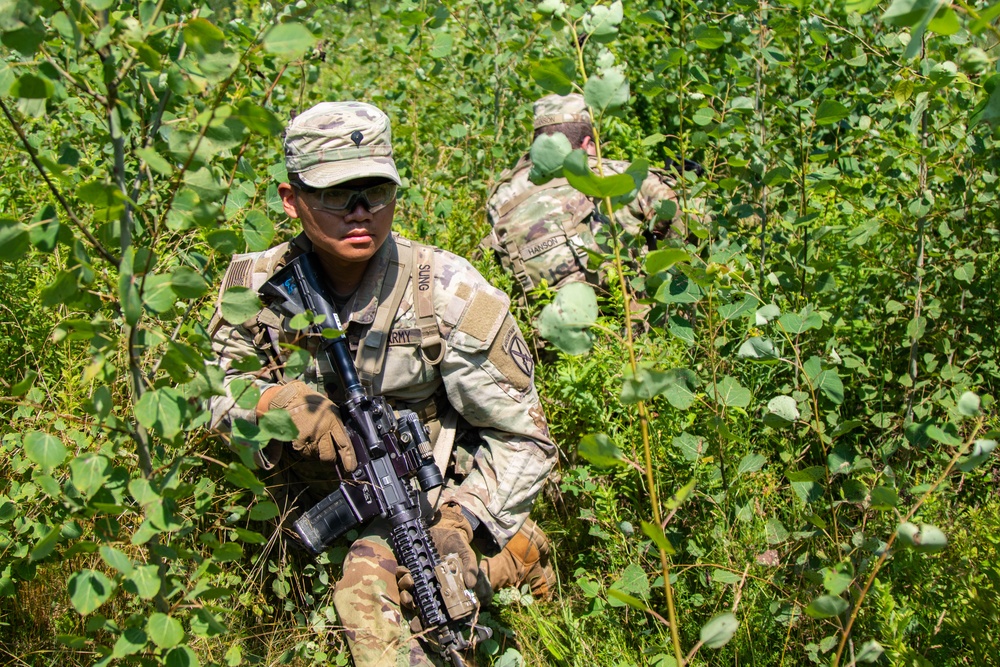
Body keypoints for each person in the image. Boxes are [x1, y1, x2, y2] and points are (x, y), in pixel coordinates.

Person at [207, 101, 556, 666]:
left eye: (376, 190)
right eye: (336, 193)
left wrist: (461, 520)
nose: (361, 210)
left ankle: (505, 554)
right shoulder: (256, 288)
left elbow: (527, 440)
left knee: (370, 596)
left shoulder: (448, 293)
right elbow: (206, 390)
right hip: (309, 495)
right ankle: (509, 560)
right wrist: (271, 401)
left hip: (432, 494)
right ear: (290, 198)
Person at [482, 92, 697, 307]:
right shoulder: (623, 176)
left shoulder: (500, 197)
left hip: (540, 332)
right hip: (626, 331)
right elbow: (689, 227)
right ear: (587, 144)